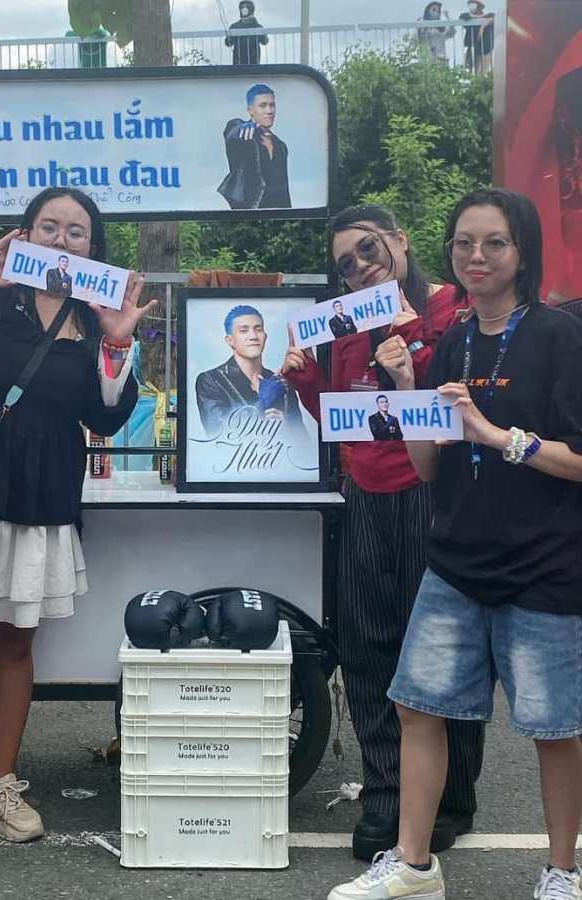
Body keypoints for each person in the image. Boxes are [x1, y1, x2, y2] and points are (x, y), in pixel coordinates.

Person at [326, 190, 582, 900]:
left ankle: (563, 870)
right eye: (464, 242)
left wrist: (498, 437)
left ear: (522, 252)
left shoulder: (559, 335)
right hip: (456, 558)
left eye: (494, 242)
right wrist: (409, 390)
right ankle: (414, 865)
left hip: (543, 563)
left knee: (553, 727)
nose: (476, 256)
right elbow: (431, 466)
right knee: (417, 705)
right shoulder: (455, 340)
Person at [0, 187, 149, 873]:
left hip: (47, 486)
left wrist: (118, 340)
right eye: (48, 226)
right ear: (24, 235)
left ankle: (2, 785)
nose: (61, 240)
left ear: (93, 248)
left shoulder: (94, 316)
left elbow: (105, 419)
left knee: (18, 642)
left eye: (76, 232)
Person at [283, 204, 483, 861]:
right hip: (366, 495)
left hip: (435, 495)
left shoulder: (451, 308)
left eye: (369, 249)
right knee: (368, 644)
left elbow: (463, 402)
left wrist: (412, 347)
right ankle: (386, 791)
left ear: (400, 240)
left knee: (441, 648)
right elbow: (344, 417)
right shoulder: (345, 326)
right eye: (346, 264)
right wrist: (307, 381)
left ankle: (450, 797)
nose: (360, 267)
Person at [195, 304, 304, 434]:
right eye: (243, 330)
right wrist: (262, 403)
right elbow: (217, 432)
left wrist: (286, 428)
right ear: (230, 340)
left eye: (258, 329)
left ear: (265, 336)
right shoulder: (212, 380)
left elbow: (303, 440)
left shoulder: (282, 384)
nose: (253, 336)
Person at [219, 83, 290, 210]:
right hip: (245, 210)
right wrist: (242, 127)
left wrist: (288, 214)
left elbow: (283, 187)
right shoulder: (242, 132)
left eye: (272, 105)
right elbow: (231, 133)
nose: (269, 111)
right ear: (250, 110)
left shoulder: (281, 146)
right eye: (263, 105)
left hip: (273, 213)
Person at [226, 0, 270, 66]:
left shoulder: (257, 26)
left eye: (246, 7)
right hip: (238, 61)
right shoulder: (235, 26)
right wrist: (229, 38)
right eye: (242, 7)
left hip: (253, 61)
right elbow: (228, 43)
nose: (244, 9)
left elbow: (264, 41)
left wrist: (255, 23)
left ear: (251, 9)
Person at [460, 0, 495, 75]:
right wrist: (479, 18)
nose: (471, 6)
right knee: (470, 73)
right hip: (472, 49)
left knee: (482, 73)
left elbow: (494, 17)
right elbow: (462, 16)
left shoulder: (489, 15)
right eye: (470, 4)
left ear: (480, 6)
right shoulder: (467, 17)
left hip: (485, 50)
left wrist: (483, 26)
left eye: (473, 4)